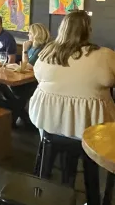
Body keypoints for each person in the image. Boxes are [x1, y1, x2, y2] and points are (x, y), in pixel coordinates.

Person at [29, 11, 115, 139]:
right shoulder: (104, 55)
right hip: (90, 127)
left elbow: (39, 77)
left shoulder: (47, 52)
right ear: (88, 30)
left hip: (46, 121)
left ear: (62, 28)